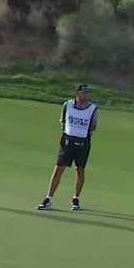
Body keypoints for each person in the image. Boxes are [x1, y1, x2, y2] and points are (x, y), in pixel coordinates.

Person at [38, 84, 98, 212]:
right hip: (67, 141)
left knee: (80, 170)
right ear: (77, 93)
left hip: (83, 142)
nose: (85, 95)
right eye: (83, 93)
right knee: (59, 168)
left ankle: (75, 199)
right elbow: (63, 121)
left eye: (87, 93)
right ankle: (48, 198)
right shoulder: (67, 105)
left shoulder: (93, 108)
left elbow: (93, 126)